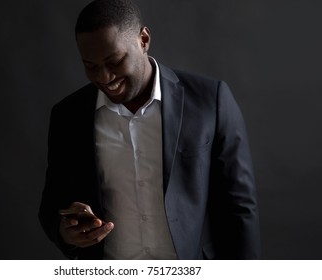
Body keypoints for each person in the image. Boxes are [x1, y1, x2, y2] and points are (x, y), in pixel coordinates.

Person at [38, 0, 260, 260]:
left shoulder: (211, 100)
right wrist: (66, 233)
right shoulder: (68, 116)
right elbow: (52, 206)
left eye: (115, 61)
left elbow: (239, 206)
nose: (104, 77)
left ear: (143, 39)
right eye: (91, 66)